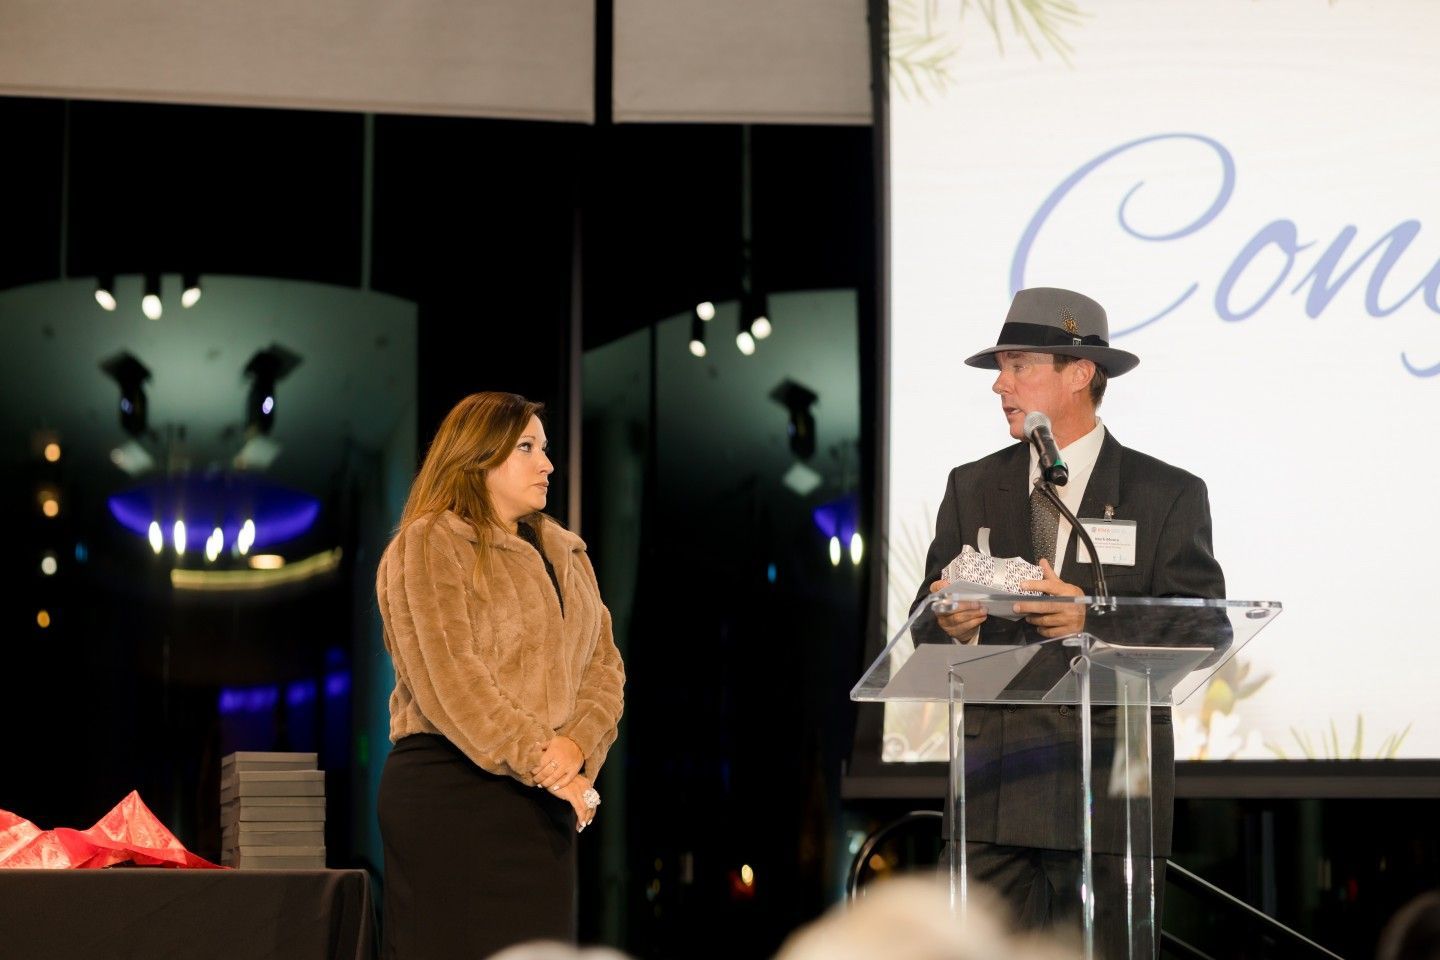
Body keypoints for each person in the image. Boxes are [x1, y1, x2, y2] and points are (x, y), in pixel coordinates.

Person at [911, 287, 1225, 952]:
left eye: (1019, 365)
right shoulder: (972, 486)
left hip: (1111, 802)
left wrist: (1093, 617)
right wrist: (956, 621)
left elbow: (1202, 630)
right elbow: (921, 626)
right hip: (995, 796)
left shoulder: (1166, 494)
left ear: (1078, 374)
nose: (1000, 384)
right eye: (1000, 368)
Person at [376, 392, 625, 959]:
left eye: (546, 448)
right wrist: (549, 763)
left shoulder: (568, 554)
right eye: (527, 447)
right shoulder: (429, 541)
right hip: (452, 794)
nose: (548, 464)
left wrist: (577, 747)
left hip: (541, 804)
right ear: (479, 456)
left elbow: (605, 668)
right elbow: (450, 679)